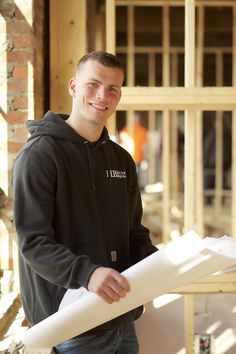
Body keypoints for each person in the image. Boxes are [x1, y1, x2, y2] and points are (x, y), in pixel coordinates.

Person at [12, 51, 157, 354]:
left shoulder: (122, 160)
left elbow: (134, 233)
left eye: (113, 88)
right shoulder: (40, 155)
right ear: (74, 86)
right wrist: (88, 274)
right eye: (93, 84)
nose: (103, 95)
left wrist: (162, 264)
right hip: (72, 324)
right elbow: (34, 243)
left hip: (121, 316)